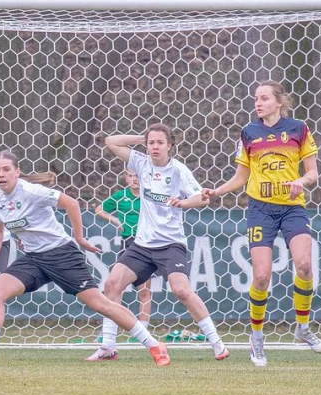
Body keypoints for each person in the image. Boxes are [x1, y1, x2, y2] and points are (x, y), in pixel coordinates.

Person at [0, 152, 170, 368]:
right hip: (34, 259)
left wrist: (79, 238)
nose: (1, 174)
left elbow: (71, 203)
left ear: (17, 172)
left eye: (6, 169)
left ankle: (154, 345)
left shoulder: (32, 191)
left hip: (61, 254)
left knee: (100, 304)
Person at [203, 81, 321, 367]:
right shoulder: (249, 132)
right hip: (260, 209)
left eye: (264, 98)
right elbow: (241, 176)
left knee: (304, 265)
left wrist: (301, 181)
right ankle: (256, 338)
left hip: (292, 207)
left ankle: (303, 327)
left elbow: (313, 173)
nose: (258, 103)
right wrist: (217, 191)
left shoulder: (298, 129)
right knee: (261, 276)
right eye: (256, 98)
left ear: (279, 102)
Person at [89, 125, 229, 362]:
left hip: (170, 244)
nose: (155, 147)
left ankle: (217, 343)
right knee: (112, 284)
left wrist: (183, 203)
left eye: (160, 142)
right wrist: (141, 138)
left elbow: (201, 199)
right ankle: (108, 347)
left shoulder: (178, 170)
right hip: (142, 245)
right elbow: (111, 141)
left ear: (170, 145)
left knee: (181, 290)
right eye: (151, 142)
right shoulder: (141, 163)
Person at [93, 168, 153, 334]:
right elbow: (99, 209)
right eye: (130, 175)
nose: (134, 179)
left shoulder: (150, 195)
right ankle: (109, 331)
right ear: (126, 178)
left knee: (144, 290)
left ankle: (143, 330)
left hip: (147, 242)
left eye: (137, 176)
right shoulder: (121, 196)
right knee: (115, 287)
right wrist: (115, 220)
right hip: (129, 242)